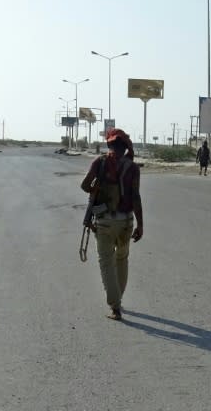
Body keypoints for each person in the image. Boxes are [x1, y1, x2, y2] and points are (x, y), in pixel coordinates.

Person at [80, 128, 143, 321]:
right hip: (126, 221)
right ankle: (118, 298)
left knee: (106, 262)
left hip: (105, 221)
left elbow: (84, 185)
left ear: (109, 145)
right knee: (122, 260)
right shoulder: (132, 167)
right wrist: (141, 225)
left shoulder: (100, 162)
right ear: (125, 148)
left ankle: (115, 307)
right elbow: (136, 198)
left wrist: (96, 189)